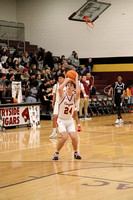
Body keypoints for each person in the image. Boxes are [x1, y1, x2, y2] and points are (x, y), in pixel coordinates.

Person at [52, 74, 81, 160]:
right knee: (64, 137)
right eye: (68, 85)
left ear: (73, 89)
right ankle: (56, 153)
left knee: (74, 137)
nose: (69, 86)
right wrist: (67, 80)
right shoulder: (63, 95)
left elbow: (78, 92)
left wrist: (76, 80)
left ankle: (76, 152)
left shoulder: (74, 97)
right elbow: (60, 88)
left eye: (71, 86)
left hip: (69, 120)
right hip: (61, 120)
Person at [50, 74, 65, 138]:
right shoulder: (56, 86)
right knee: (54, 117)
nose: (59, 79)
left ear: (64, 79)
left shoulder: (66, 86)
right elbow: (54, 95)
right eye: (59, 78)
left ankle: (62, 132)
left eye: (61, 78)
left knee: (61, 119)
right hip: (57, 103)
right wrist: (53, 103)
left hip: (63, 104)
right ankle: (54, 132)